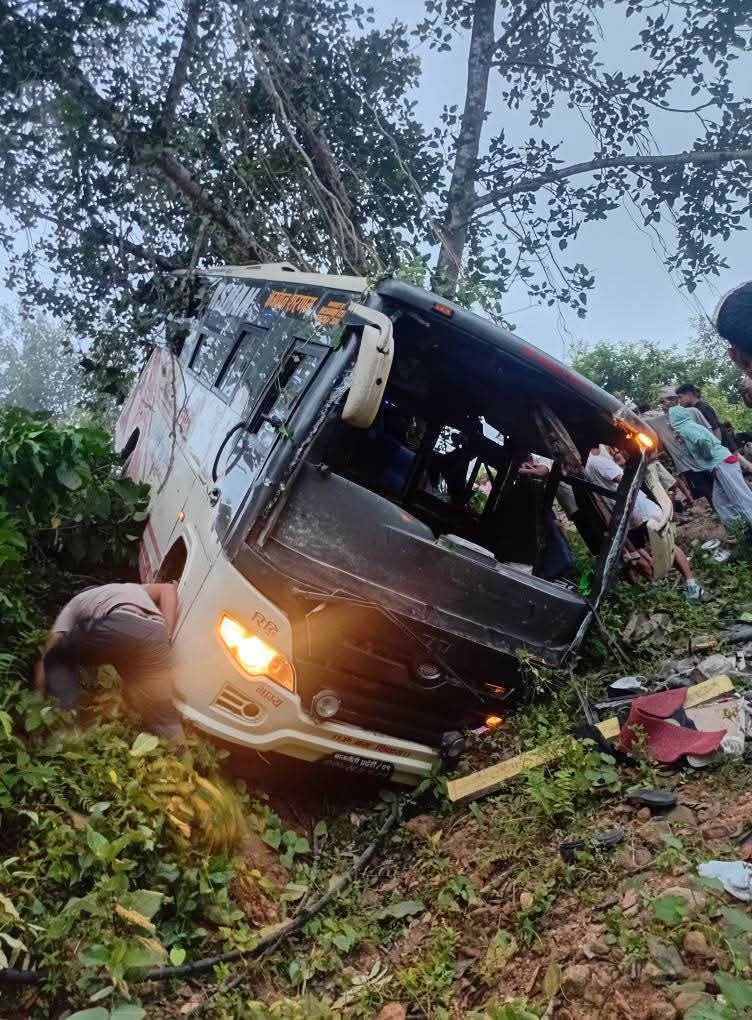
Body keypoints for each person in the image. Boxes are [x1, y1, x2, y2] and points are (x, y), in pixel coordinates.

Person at [35, 581, 183, 738]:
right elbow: (168, 588)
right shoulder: (130, 588)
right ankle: (179, 748)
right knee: (161, 712)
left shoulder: (76, 602)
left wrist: (37, 696)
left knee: (56, 657)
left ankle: (68, 725)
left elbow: (49, 651)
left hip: (121, 622)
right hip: (156, 634)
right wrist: (167, 632)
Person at [585, 445, 704, 600]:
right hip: (632, 515)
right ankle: (668, 586)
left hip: (639, 512)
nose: (615, 452)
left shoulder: (595, 464)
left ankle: (691, 585)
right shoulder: (594, 464)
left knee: (665, 547)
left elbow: (622, 483)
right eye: (612, 450)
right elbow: (617, 486)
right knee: (645, 551)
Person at [668, 405, 752, 530]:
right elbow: (694, 449)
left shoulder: (686, 428)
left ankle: (747, 525)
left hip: (720, 463)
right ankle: (738, 530)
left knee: (739, 498)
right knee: (720, 502)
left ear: (674, 419)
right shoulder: (688, 427)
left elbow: (703, 442)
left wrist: (707, 456)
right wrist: (682, 442)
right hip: (721, 463)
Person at [643, 388, 715, 504]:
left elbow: (709, 433)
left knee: (722, 487)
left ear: (677, 400)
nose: (667, 403)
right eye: (663, 401)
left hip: (708, 458)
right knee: (707, 492)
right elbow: (635, 421)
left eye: (672, 399)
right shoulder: (656, 422)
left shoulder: (693, 412)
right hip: (687, 466)